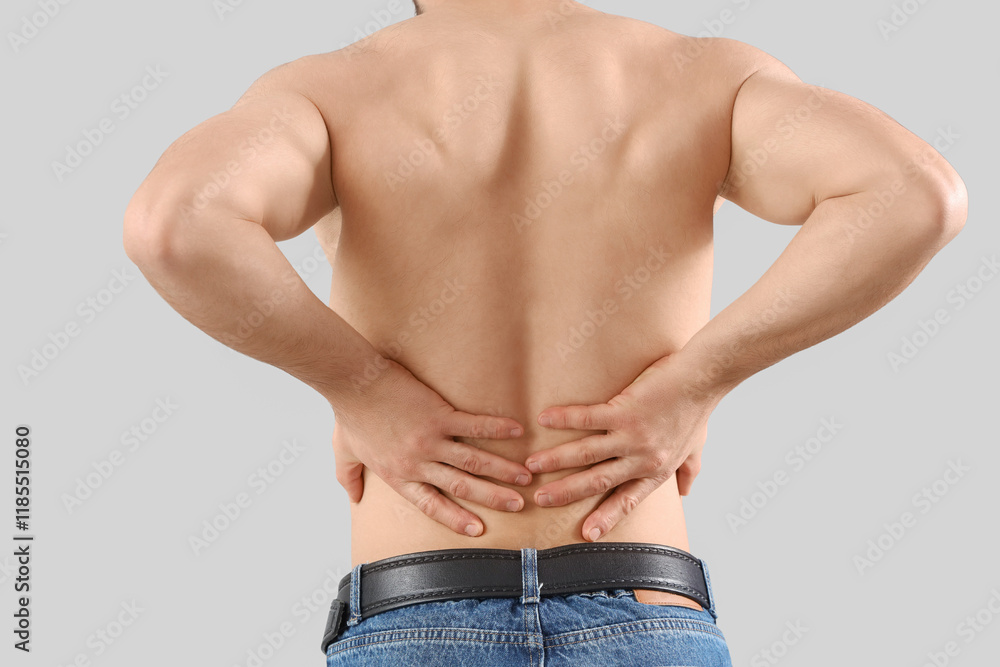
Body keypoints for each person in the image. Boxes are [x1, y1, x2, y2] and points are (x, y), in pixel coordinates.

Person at [122, 1, 968, 664]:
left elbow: (175, 223)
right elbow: (914, 193)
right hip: (645, 613)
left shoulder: (331, 92)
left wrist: (363, 386)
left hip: (422, 623)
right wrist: (697, 380)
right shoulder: (702, 76)